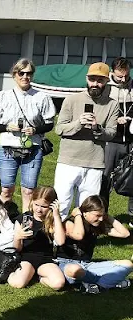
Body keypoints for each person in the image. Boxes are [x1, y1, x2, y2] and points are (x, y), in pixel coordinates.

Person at [0, 58, 56, 211]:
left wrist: (36, 130)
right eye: (21, 73)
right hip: (8, 149)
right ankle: (2, 222)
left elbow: (50, 123)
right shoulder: (4, 96)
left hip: (33, 148)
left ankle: (26, 222)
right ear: (14, 75)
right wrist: (7, 127)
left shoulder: (41, 97)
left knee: (29, 190)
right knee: (6, 190)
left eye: (29, 73)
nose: (25, 77)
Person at [54, 62, 119, 218]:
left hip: (94, 163)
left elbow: (111, 134)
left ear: (106, 82)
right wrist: (78, 123)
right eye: (92, 79)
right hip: (68, 161)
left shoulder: (112, 104)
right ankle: (56, 239)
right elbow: (59, 129)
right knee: (61, 204)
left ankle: (81, 240)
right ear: (86, 79)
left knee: (87, 208)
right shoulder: (71, 99)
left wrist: (97, 128)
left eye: (100, 80)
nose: (95, 83)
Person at [57, 195, 132, 294]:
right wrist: (78, 216)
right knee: (75, 270)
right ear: (85, 213)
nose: (101, 219)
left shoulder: (97, 226)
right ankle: (111, 282)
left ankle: (99, 287)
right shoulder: (69, 223)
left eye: (102, 215)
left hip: (88, 265)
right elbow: (79, 235)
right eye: (97, 215)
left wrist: (107, 216)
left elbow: (124, 233)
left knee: (128, 264)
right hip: (66, 264)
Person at [6, 187, 66, 290]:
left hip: (46, 259)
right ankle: (17, 272)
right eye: (36, 205)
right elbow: (17, 248)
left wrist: (56, 216)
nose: (39, 209)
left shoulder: (52, 220)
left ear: (52, 206)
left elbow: (60, 241)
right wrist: (18, 237)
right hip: (26, 257)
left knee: (58, 283)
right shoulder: (23, 219)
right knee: (18, 283)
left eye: (44, 206)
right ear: (32, 202)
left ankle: (39, 278)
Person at [100, 57, 133, 216]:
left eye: (126, 76)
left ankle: (132, 215)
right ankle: (102, 214)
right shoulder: (105, 88)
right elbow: (98, 112)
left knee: (132, 177)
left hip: (131, 140)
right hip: (111, 140)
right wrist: (114, 120)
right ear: (112, 72)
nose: (123, 79)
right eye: (120, 76)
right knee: (105, 178)